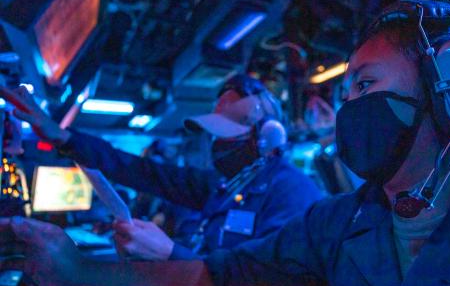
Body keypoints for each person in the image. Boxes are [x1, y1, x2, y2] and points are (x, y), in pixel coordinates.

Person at [0, 0, 450, 286]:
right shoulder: (335, 222)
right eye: (347, 89)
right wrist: (73, 271)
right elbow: (218, 282)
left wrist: (165, 253)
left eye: (364, 85)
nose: (349, 108)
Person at [2, 74, 323, 261]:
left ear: (268, 137)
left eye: (227, 136)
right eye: (215, 136)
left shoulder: (291, 194)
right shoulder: (228, 186)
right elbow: (141, 171)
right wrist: (64, 138)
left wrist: (169, 253)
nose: (217, 146)